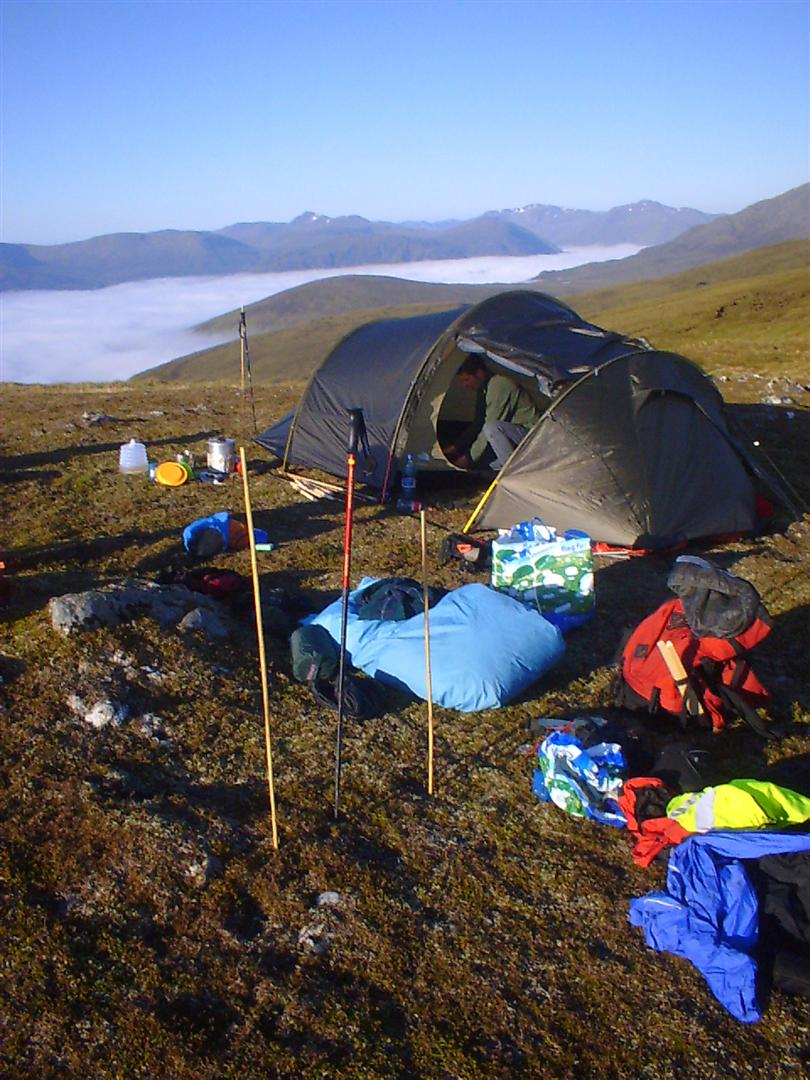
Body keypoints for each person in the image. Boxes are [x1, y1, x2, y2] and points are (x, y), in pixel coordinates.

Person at [445, 355, 541, 470]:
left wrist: (468, 459)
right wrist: (456, 447)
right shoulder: (485, 388)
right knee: (490, 466)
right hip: (517, 434)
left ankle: (513, 472)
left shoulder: (499, 385)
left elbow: (489, 425)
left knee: (491, 428)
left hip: (534, 436)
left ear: (479, 374)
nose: (465, 385)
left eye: (467, 379)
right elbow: (478, 421)